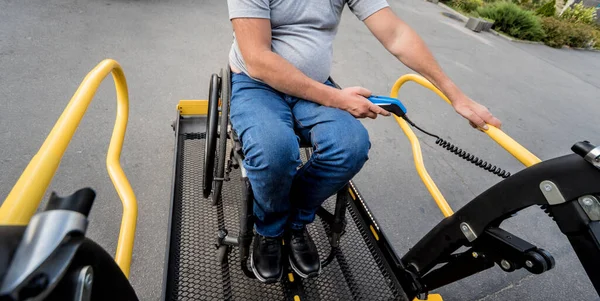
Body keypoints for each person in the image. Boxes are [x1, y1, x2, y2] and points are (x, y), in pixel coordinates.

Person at [226, 0, 502, 283]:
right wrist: (338, 99)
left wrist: (455, 95)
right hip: (257, 84)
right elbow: (258, 59)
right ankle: (270, 230)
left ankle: (295, 221)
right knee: (274, 151)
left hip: (315, 85)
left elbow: (396, 34)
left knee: (351, 146)